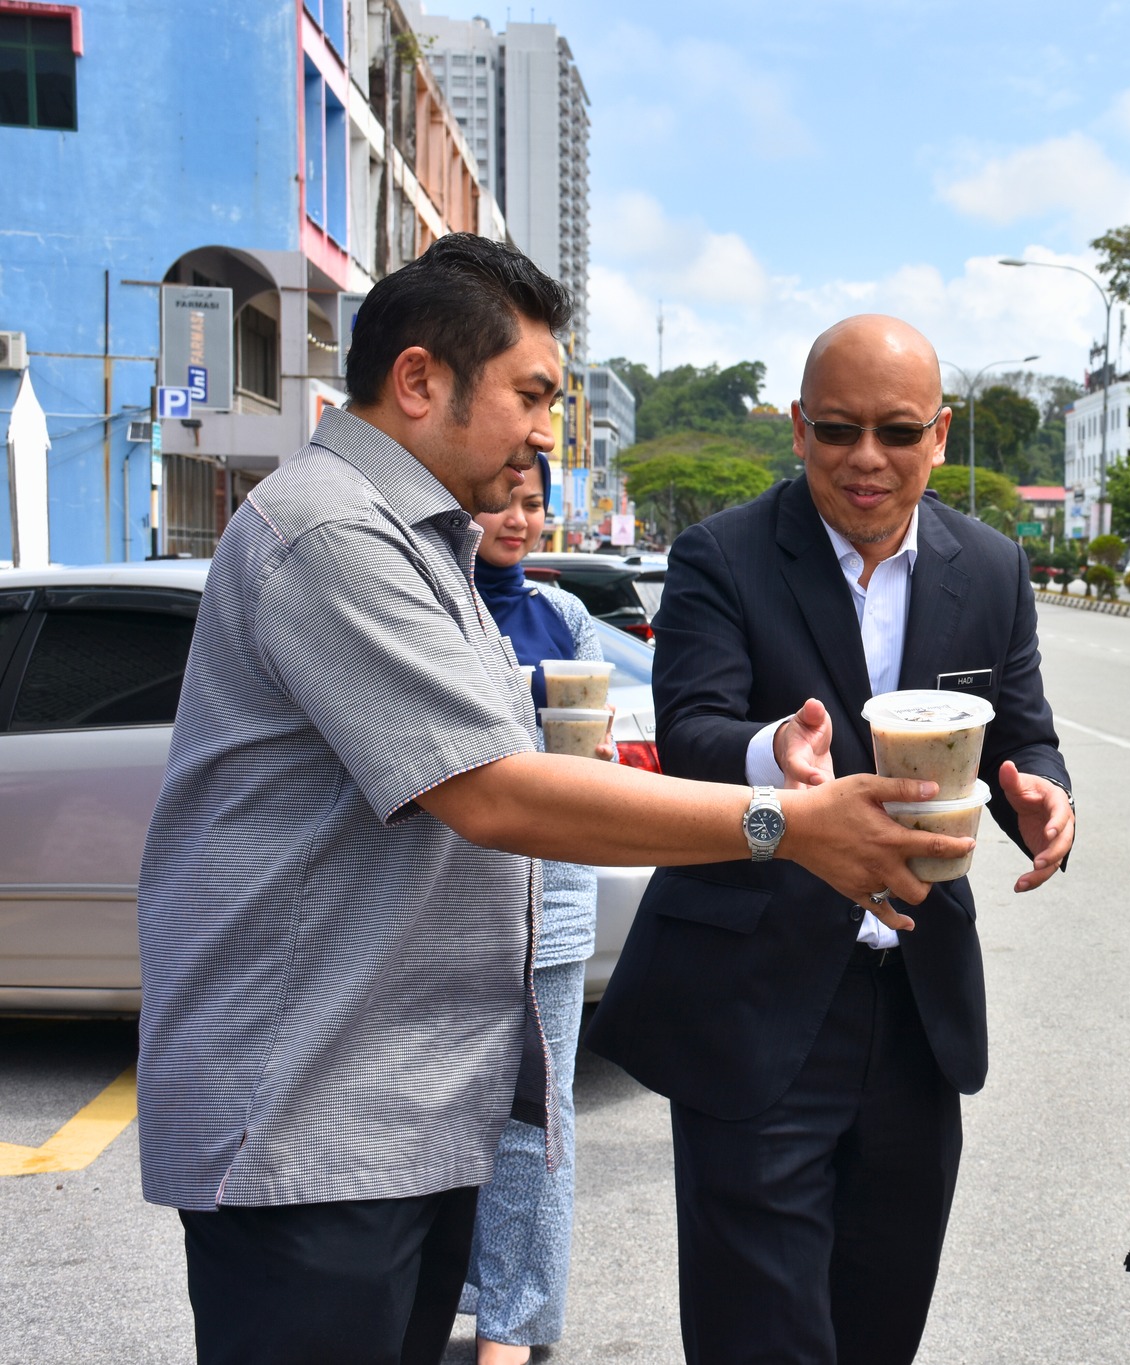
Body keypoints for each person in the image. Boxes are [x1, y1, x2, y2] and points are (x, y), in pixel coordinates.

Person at [136, 237, 972, 1365]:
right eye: (531, 395)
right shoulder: (332, 531)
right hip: (306, 1122)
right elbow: (490, 793)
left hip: (394, 1114)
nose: (544, 433)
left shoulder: (423, 545)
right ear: (423, 380)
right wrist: (780, 824)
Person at [588, 314, 1076, 1365]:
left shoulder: (989, 569)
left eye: (896, 432)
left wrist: (1038, 796)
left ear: (938, 436)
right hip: (757, 1006)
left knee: (878, 1323)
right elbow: (693, 731)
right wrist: (778, 756)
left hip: (915, 1010)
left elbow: (1018, 729)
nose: (867, 459)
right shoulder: (721, 556)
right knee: (759, 1337)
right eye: (839, 430)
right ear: (798, 429)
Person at [461, 453, 606, 1363]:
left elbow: (584, 764)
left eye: (532, 505)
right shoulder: (435, 604)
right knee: (443, 1108)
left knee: (534, 1120)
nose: (517, 519)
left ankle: (512, 1323)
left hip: (552, 897)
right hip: (450, 901)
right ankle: (451, 1288)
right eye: (500, 501)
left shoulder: (566, 617)